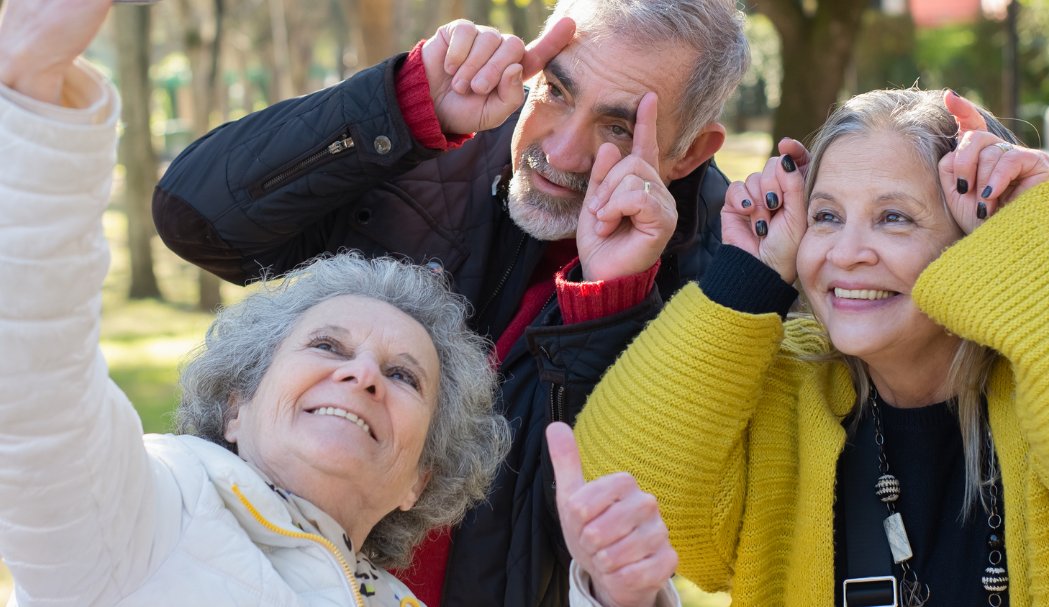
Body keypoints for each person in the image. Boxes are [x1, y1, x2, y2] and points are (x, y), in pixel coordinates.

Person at [0, 2, 680, 606]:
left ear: (421, 478)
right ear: (234, 404)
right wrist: (30, 93)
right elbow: (33, 395)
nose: (362, 376)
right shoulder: (142, 519)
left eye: (404, 375)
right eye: (327, 345)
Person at [573, 87, 1049, 606]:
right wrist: (747, 278)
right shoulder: (785, 386)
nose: (846, 253)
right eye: (827, 217)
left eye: (893, 217)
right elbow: (623, 488)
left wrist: (1032, 245)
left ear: (978, 236)